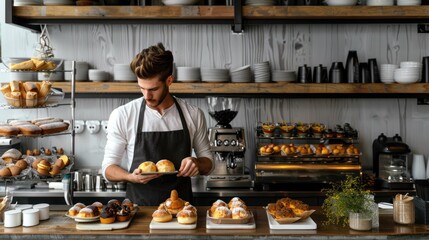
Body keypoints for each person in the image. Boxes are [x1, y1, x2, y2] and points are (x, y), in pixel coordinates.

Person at [101, 43, 213, 206]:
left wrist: (197, 163)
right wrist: (130, 177)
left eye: (153, 89)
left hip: (182, 211)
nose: (147, 96)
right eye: (142, 88)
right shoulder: (123, 115)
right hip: (138, 211)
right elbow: (108, 168)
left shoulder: (193, 114)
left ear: (169, 81)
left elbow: (208, 163)